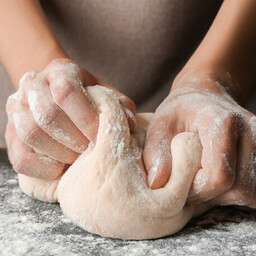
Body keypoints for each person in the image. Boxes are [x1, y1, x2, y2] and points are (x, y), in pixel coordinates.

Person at [1, 0, 256, 208]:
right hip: (31, 51)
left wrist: (215, 75)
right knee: (47, 136)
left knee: (219, 162)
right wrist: (43, 78)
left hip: (216, 94)